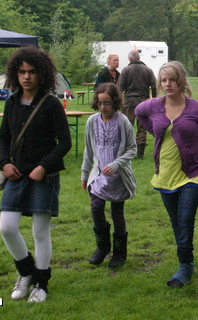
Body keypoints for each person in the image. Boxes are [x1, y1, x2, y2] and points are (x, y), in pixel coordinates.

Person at [0, 47, 72, 303]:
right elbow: (3, 138)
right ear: (15, 74)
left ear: (42, 74)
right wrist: (3, 163)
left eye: (31, 72)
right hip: (15, 175)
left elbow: (64, 142)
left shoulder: (51, 103)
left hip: (45, 175)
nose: (26, 77)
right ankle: (26, 272)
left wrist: (43, 166)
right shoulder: (11, 102)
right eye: (21, 72)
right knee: (7, 227)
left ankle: (41, 283)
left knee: (40, 232)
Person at [135, 61, 198, 288]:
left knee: (185, 219)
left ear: (181, 80)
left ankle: (185, 266)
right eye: (164, 80)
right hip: (165, 174)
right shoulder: (153, 106)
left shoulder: (197, 109)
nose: (167, 84)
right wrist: (156, 132)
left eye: (172, 79)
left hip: (193, 172)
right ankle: (186, 259)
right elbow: (138, 113)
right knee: (176, 222)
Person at [81, 83, 137, 269]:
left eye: (107, 103)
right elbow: (89, 150)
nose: (103, 107)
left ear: (115, 103)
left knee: (117, 213)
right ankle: (102, 246)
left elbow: (132, 149)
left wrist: (115, 165)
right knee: (96, 208)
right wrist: (84, 173)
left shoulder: (123, 122)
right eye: (100, 103)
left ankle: (119, 253)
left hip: (118, 176)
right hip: (98, 176)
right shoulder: (92, 122)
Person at [118, 50, 157, 160]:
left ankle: (125, 153)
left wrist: (119, 103)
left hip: (129, 103)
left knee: (127, 128)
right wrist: (154, 100)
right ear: (139, 58)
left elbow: (119, 88)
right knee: (142, 129)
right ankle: (140, 154)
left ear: (130, 59)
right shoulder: (148, 70)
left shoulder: (125, 70)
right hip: (144, 103)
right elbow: (154, 86)